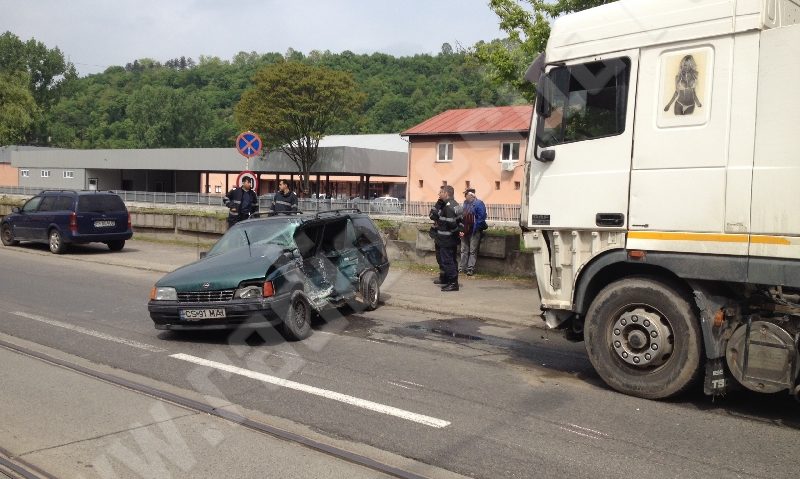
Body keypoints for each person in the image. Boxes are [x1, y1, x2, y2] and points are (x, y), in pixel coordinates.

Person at [432, 185, 462, 292]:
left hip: (447, 239)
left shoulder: (448, 207)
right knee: (450, 260)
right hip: (449, 239)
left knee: (448, 261)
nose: (439, 194)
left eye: (441, 192)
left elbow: (452, 224)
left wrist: (455, 233)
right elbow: (461, 221)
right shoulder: (455, 204)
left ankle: (453, 283)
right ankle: (448, 279)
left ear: (446, 193)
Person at [459, 188, 487, 276]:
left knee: (472, 250)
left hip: (474, 231)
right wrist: (462, 229)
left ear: (471, 195)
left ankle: (470, 269)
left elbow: (481, 218)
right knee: (463, 250)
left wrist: (475, 228)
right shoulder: (465, 203)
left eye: (466, 194)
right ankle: (462, 268)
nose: (465, 196)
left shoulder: (479, 203)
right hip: (465, 231)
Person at [429, 195, 447, 285]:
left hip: (445, 236)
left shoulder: (449, 204)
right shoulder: (438, 203)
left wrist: (437, 213)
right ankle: (442, 277)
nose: (439, 195)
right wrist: (437, 209)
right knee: (439, 258)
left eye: (441, 193)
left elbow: (443, 218)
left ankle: (447, 278)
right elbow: (432, 215)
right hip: (437, 234)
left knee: (445, 258)